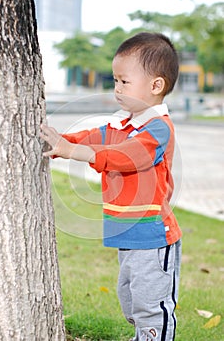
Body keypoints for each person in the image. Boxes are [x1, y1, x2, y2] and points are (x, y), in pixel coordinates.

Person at [40, 32, 182, 341]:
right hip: (126, 233)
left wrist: (76, 153)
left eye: (125, 82)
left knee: (151, 304)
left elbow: (125, 158)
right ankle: (143, 335)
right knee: (130, 300)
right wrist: (63, 142)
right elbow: (94, 136)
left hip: (154, 236)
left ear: (156, 86)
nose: (117, 88)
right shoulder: (121, 123)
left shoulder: (157, 128)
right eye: (115, 81)